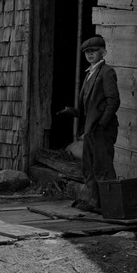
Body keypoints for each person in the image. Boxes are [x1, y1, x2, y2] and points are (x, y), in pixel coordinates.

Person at [57, 34, 121, 214]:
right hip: (90, 129)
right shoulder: (89, 74)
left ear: (104, 52)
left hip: (102, 129)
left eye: (94, 51)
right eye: (87, 52)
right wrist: (73, 111)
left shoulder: (107, 72)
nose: (90, 54)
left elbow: (113, 101)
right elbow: (89, 108)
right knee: (89, 167)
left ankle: (111, 206)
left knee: (103, 168)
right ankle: (95, 202)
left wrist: (101, 124)